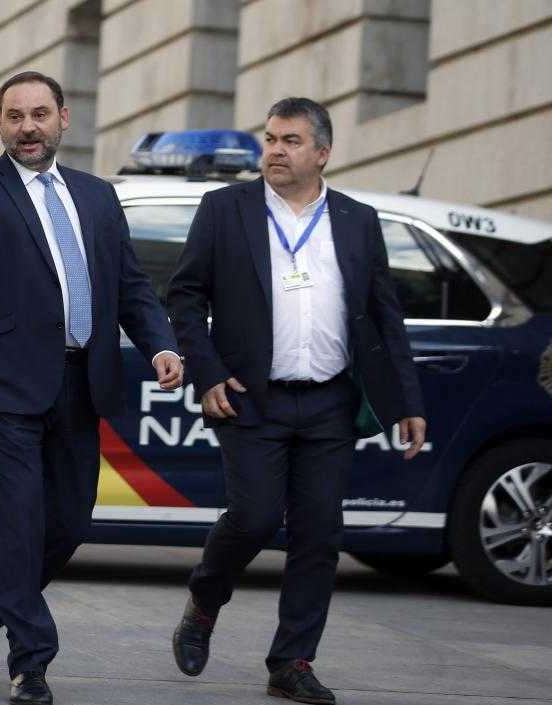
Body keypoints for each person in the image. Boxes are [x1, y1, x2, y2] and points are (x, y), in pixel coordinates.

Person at [166, 97, 427, 705]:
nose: (276, 152)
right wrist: (207, 372)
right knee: (255, 516)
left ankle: (293, 661)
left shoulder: (359, 220)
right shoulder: (224, 210)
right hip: (251, 398)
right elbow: (183, 297)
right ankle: (206, 600)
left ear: (323, 153)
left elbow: (386, 318)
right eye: (271, 139)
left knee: (318, 534)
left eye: (290, 141)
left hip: (332, 403)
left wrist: (409, 400)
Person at [0, 71, 183, 705]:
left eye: (39, 114)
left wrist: (159, 343)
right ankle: (32, 663)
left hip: (82, 386)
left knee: (66, 525)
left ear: (63, 119)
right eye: (15, 115)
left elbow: (129, 286)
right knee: (19, 526)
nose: (28, 126)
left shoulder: (98, 197)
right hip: (4, 392)